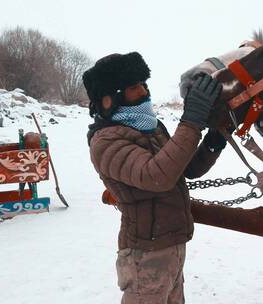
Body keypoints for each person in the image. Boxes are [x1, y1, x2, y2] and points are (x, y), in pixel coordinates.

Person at [83, 52, 226, 304]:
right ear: (109, 99)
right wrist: (191, 122)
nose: (143, 91)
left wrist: (214, 141)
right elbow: (157, 176)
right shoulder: (105, 141)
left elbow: (183, 168)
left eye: (143, 83)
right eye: (133, 86)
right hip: (144, 255)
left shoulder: (151, 127)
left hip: (172, 245)